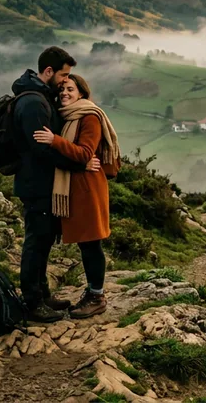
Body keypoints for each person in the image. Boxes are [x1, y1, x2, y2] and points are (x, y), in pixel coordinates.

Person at [11, 46, 99, 323]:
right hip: (36, 185)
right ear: (48, 71)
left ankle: (43, 294)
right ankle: (33, 302)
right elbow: (42, 150)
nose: (64, 82)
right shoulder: (34, 103)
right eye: (63, 75)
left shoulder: (41, 97)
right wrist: (80, 164)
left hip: (43, 184)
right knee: (36, 242)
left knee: (44, 240)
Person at [33, 74, 120, 319]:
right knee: (86, 243)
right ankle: (93, 293)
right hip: (77, 187)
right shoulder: (68, 117)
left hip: (88, 189)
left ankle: (97, 297)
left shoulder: (89, 117)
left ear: (81, 92)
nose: (64, 93)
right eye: (62, 89)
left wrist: (54, 140)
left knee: (91, 243)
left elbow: (84, 153)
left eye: (70, 89)